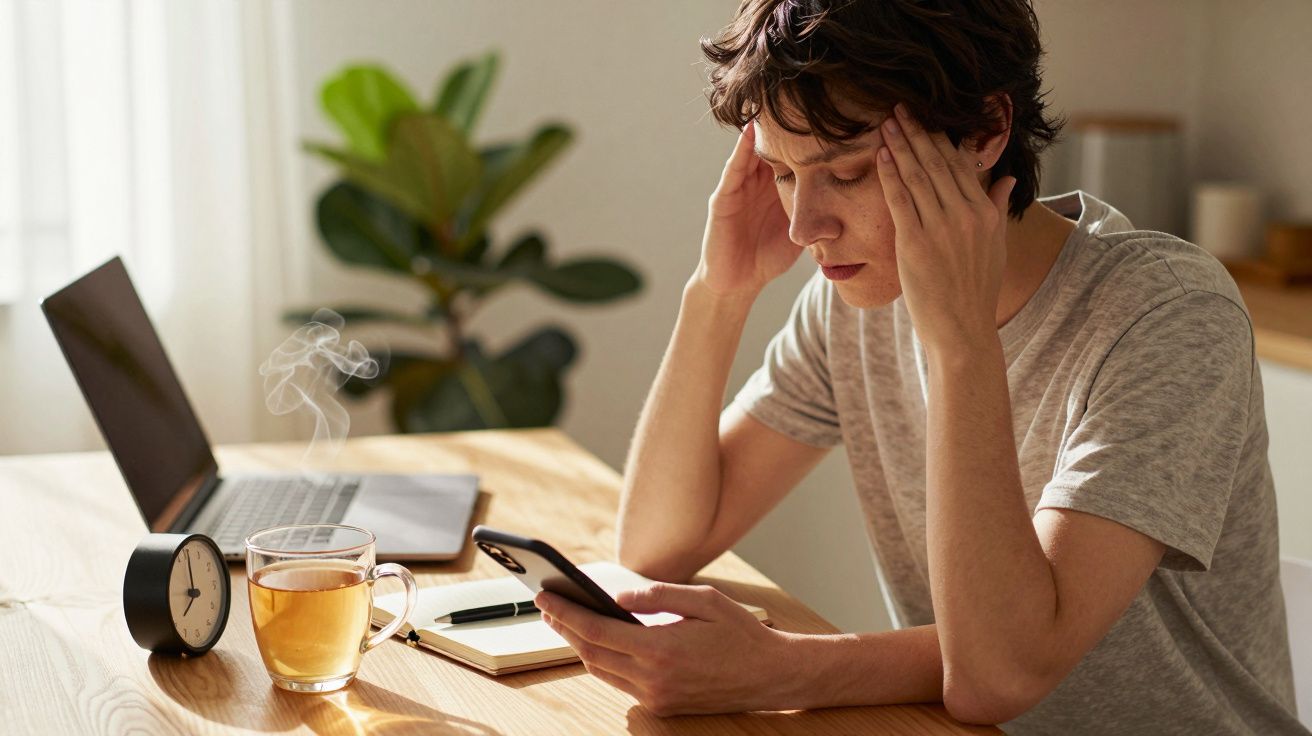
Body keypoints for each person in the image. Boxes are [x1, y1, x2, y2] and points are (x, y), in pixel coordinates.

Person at [533, 0, 1304, 732]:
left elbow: (1002, 671)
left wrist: (777, 669)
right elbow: (661, 542)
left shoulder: (1168, 315)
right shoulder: (856, 299)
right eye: (784, 171)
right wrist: (718, 294)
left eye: (848, 171)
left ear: (985, 131)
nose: (805, 226)